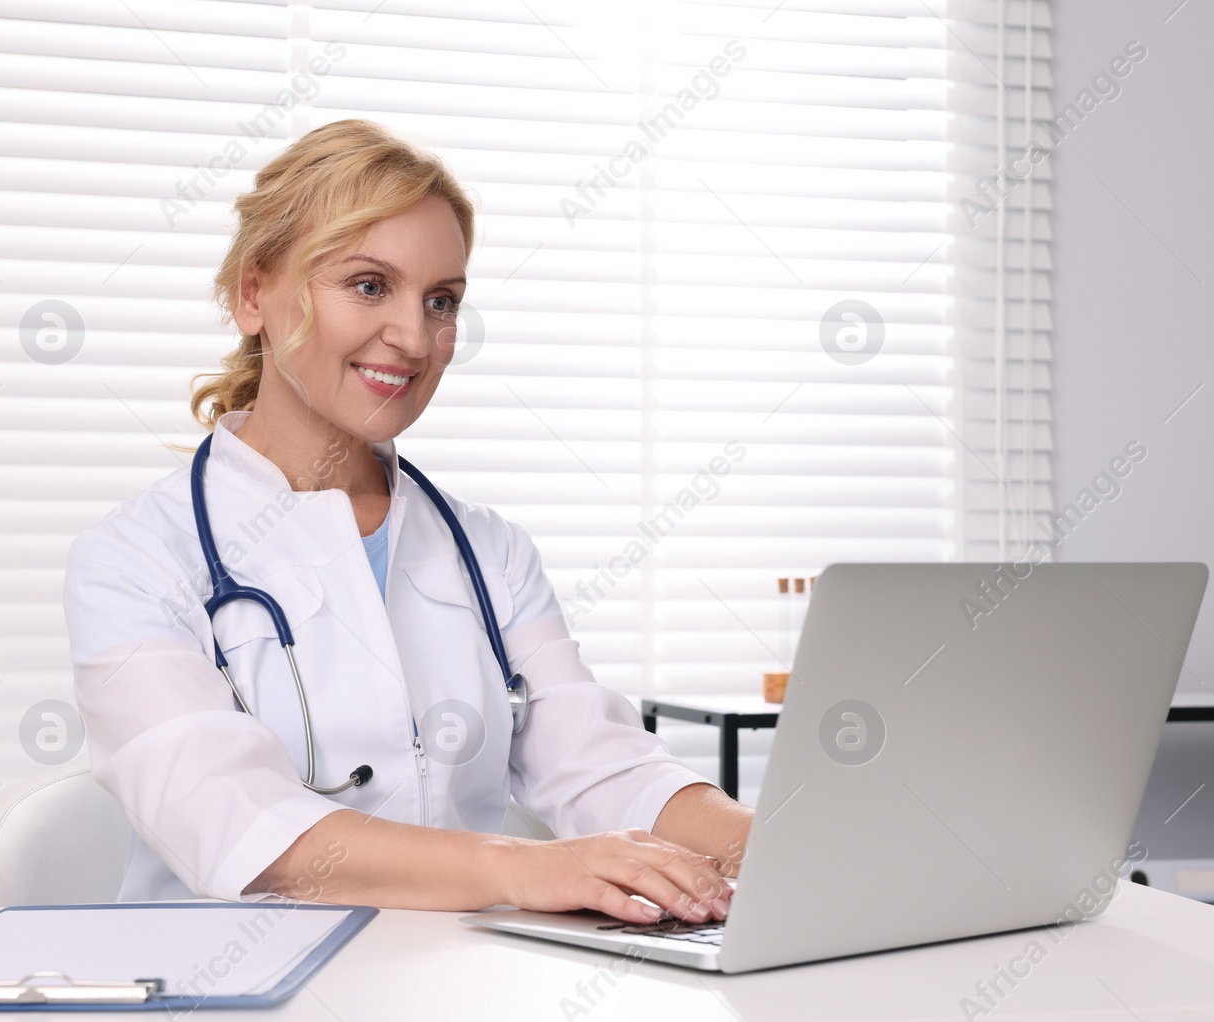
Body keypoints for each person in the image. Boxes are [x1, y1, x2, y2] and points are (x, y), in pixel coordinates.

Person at [62, 119, 750, 925]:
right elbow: (240, 822)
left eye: (441, 301)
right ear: (255, 294)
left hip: (452, 993)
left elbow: (596, 764)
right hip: (231, 1004)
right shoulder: (135, 558)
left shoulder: (489, 553)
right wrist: (525, 868)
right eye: (367, 285)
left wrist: (774, 841)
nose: (415, 337)